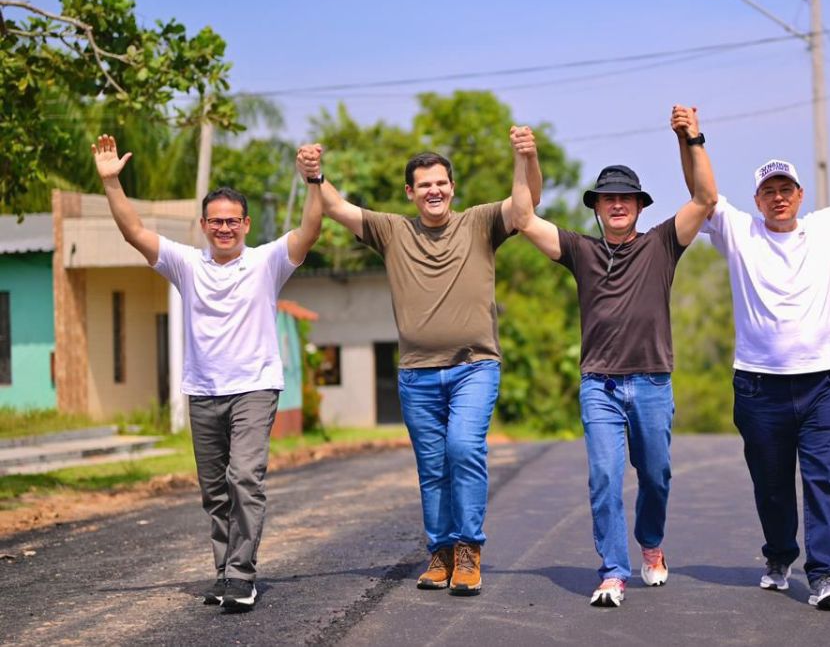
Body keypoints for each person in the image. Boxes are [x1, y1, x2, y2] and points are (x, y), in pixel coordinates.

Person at [294, 127, 541, 597]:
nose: (434, 190)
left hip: (474, 366)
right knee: (432, 466)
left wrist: (524, 157)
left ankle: (468, 551)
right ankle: (441, 553)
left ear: (453, 187)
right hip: (416, 374)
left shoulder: (480, 222)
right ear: (411, 192)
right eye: (424, 184)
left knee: (463, 450)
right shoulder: (392, 231)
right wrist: (314, 176)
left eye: (441, 182)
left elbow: (524, 207)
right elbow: (338, 207)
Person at [677, 104, 830, 611]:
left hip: (822, 381)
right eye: (769, 191)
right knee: (772, 485)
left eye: (786, 190)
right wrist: (691, 138)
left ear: (800, 195)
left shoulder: (829, 226)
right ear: (758, 199)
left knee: (823, 477)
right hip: (758, 385)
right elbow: (701, 193)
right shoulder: (738, 230)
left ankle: (824, 576)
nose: (778, 198)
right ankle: (779, 555)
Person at [90, 134, 323, 610]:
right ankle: (223, 572)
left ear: (245, 224)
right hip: (203, 390)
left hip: (254, 387)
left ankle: (242, 574)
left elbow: (309, 232)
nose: (224, 228)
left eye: (231, 221)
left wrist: (313, 180)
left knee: (244, 478)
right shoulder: (186, 264)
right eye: (215, 221)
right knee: (215, 490)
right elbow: (135, 232)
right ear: (203, 225)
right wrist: (112, 183)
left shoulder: (265, 262)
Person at [509, 105, 717, 608]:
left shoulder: (663, 243)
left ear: (640, 206)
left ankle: (651, 544)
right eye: (608, 199)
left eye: (625, 197)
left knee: (657, 474)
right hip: (599, 384)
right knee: (604, 476)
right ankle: (612, 572)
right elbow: (521, 217)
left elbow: (706, 197)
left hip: (651, 382)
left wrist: (690, 138)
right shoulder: (579, 250)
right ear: (597, 207)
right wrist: (525, 160)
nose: (617, 204)